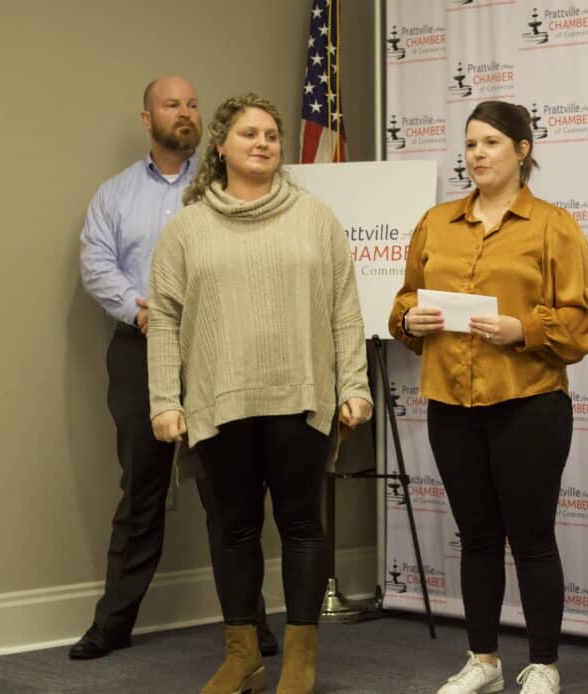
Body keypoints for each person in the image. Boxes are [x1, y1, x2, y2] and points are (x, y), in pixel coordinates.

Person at [147, 92, 372, 694]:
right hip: (220, 401)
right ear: (220, 146)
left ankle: (300, 660)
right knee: (233, 530)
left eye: (271, 135)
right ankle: (242, 655)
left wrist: (354, 384)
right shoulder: (187, 228)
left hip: (301, 396)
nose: (263, 143)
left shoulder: (316, 217)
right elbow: (164, 319)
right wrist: (164, 400)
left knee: (301, 525)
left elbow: (345, 310)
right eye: (249, 134)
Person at [389, 100, 588, 694]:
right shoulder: (436, 223)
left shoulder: (553, 225)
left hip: (529, 403)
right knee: (476, 536)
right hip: (450, 405)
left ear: (523, 151)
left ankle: (544, 665)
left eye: (491, 143)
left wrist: (522, 329)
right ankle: (483, 661)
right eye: (471, 144)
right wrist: (410, 320)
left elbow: (582, 321)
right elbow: (404, 301)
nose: (478, 155)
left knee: (531, 538)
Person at [75, 76, 276, 662]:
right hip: (139, 350)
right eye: (171, 105)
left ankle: (251, 625)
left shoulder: (224, 191)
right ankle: (111, 625)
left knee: (228, 493)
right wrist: (143, 311)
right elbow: (96, 262)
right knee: (141, 490)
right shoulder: (114, 195)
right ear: (147, 118)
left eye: (192, 104)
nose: (185, 112)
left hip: (217, 350)